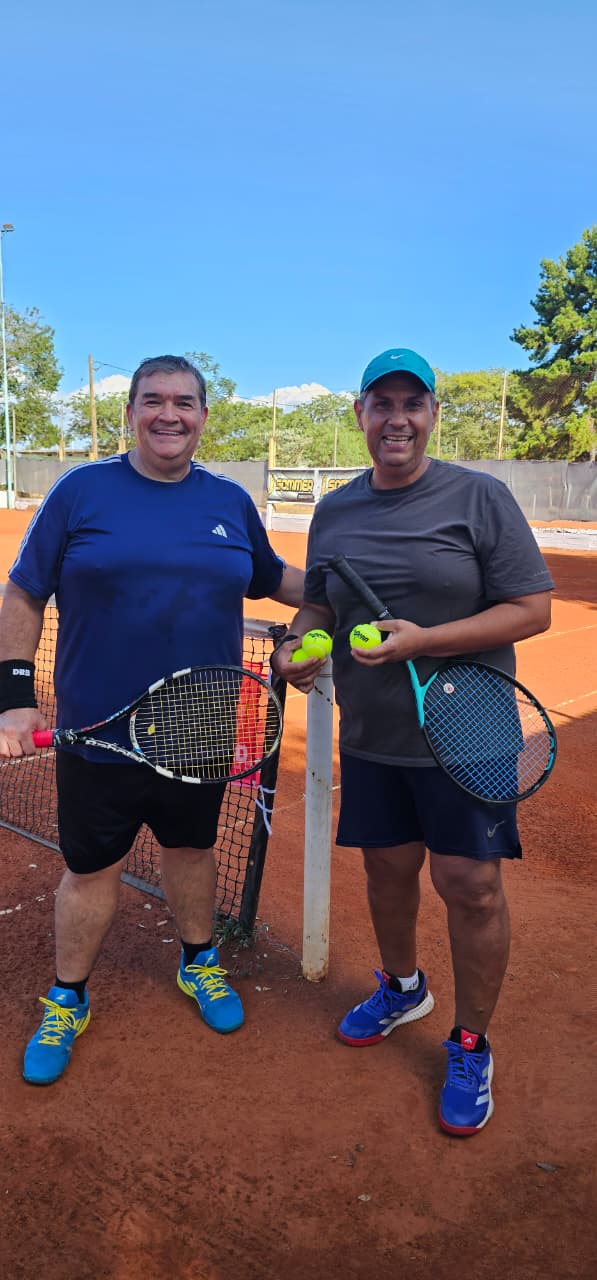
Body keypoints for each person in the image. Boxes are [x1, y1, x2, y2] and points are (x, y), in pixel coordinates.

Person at [0, 354, 305, 1086]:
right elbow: (22, 593)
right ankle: (68, 997)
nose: (169, 414)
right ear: (132, 411)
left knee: (192, 850)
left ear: (204, 414)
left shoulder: (228, 502)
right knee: (90, 868)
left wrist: (353, 589)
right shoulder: (81, 491)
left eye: (185, 402)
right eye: (153, 400)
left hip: (198, 727)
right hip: (100, 728)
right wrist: (13, 693)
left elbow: (274, 578)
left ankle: (198, 960)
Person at [271, 347, 554, 1137]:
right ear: (359, 415)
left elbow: (530, 609)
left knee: (470, 886)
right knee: (388, 874)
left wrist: (425, 641)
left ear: (431, 415)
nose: (397, 418)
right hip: (375, 736)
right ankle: (402, 988)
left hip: (470, 731)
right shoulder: (335, 511)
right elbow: (320, 607)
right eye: (380, 404)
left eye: (412, 404)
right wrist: (296, 648)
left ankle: (468, 1041)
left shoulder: (478, 497)